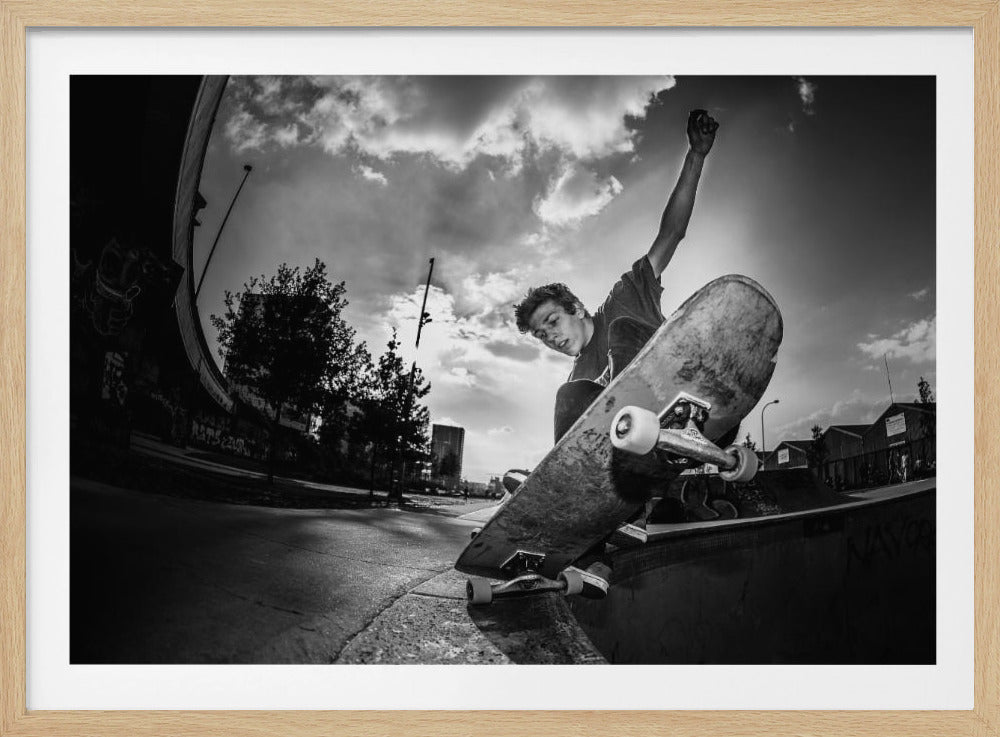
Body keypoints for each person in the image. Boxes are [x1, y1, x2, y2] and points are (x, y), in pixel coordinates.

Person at [508, 109, 720, 596]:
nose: (551, 337)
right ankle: (595, 550)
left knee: (612, 349)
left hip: (674, 417)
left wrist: (696, 156)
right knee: (574, 398)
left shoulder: (622, 297)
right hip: (628, 473)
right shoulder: (575, 385)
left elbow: (672, 234)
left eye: (552, 323)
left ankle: (610, 516)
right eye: (541, 336)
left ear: (575, 307)